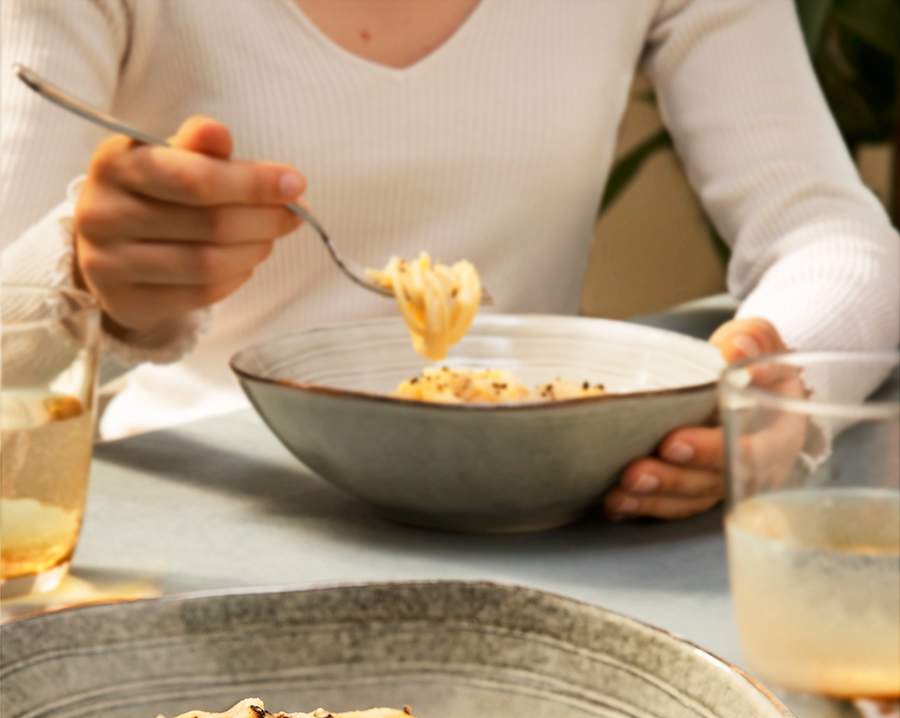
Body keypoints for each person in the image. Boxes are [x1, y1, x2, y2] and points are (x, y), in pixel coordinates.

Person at [2, 0, 896, 521]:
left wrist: (776, 383)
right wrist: (84, 273)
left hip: (545, 521)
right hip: (202, 515)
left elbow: (834, 233)